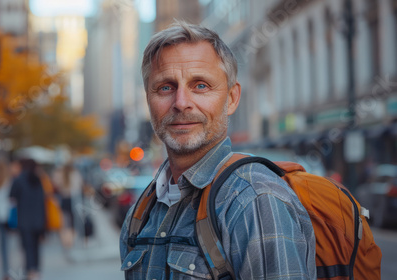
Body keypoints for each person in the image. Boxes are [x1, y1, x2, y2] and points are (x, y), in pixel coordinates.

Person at [119, 22, 316, 279]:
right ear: (148, 99)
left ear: (232, 99)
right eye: (166, 87)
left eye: (200, 86)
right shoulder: (142, 212)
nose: (181, 103)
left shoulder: (255, 200)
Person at [10, 159, 46, 280]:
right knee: (36, 246)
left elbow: (11, 196)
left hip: (24, 219)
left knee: (28, 246)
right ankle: (35, 270)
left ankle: (30, 271)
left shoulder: (19, 179)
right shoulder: (38, 180)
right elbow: (43, 201)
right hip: (38, 219)